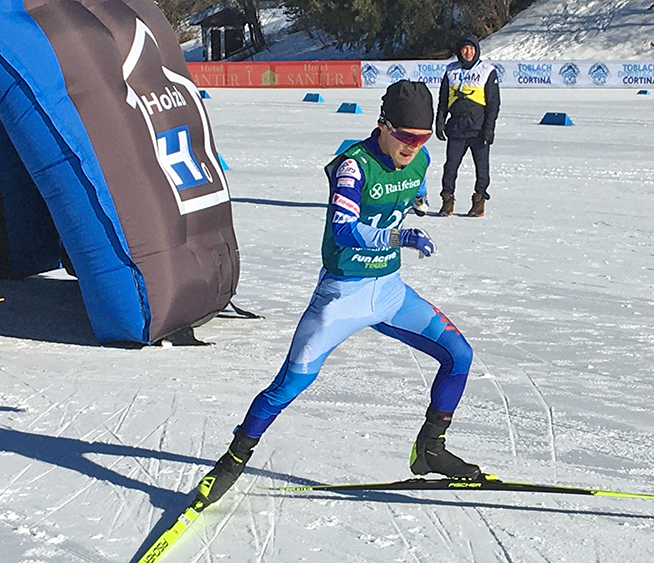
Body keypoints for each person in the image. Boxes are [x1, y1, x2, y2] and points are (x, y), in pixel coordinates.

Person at [194, 80, 481, 509]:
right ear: (383, 126)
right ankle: (232, 462)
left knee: (459, 355)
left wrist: (417, 202)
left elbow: (414, 192)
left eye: (422, 139)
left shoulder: (419, 159)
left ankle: (430, 449)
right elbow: (344, 231)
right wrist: (397, 234)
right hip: (342, 296)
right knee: (288, 384)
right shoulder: (353, 166)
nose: (413, 148)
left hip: (389, 291)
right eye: (405, 137)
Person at [436, 34, 500, 217]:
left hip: (478, 128)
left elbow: (494, 104)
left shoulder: (487, 70)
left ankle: (479, 202)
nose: (468, 52)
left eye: (471, 48)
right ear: (459, 51)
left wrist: (489, 129)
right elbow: (443, 100)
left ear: (477, 50)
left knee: (482, 168)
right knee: (450, 167)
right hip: (456, 126)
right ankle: (447, 200)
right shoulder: (451, 71)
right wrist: (440, 122)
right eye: (465, 48)